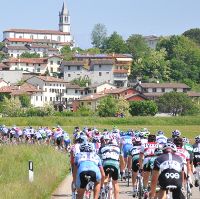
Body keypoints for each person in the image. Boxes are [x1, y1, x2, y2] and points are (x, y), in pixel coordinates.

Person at [98, 135, 121, 199]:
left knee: (103, 177)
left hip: (105, 164)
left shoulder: (102, 147)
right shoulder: (118, 148)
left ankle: (102, 189)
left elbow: (98, 160)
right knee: (115, 183)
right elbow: (122, 160)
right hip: (115, 164)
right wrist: (122, 170)